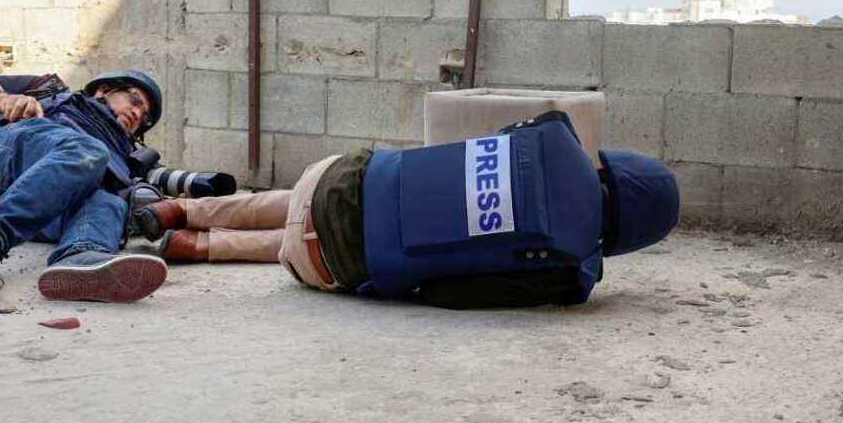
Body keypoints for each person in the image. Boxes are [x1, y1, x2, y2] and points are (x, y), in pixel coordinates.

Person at [133, 111, 680, 308]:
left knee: (310, 200)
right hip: (322, 260)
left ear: (612, 168)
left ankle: (183, 209)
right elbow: (449, 293)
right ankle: (196, 247)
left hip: (331, 176)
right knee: (317, 245)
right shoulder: (573, 271)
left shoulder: (556, 133)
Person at [0, 70, 169, 303]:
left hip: (49, 213)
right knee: (88, 150)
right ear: (104, 90)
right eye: (134, 101)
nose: (137, 113)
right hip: (12, 155)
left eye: (144, 116)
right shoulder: (51, 89)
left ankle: (81, 257)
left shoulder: (129, 155)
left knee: (110, 201)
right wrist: (4, 99)